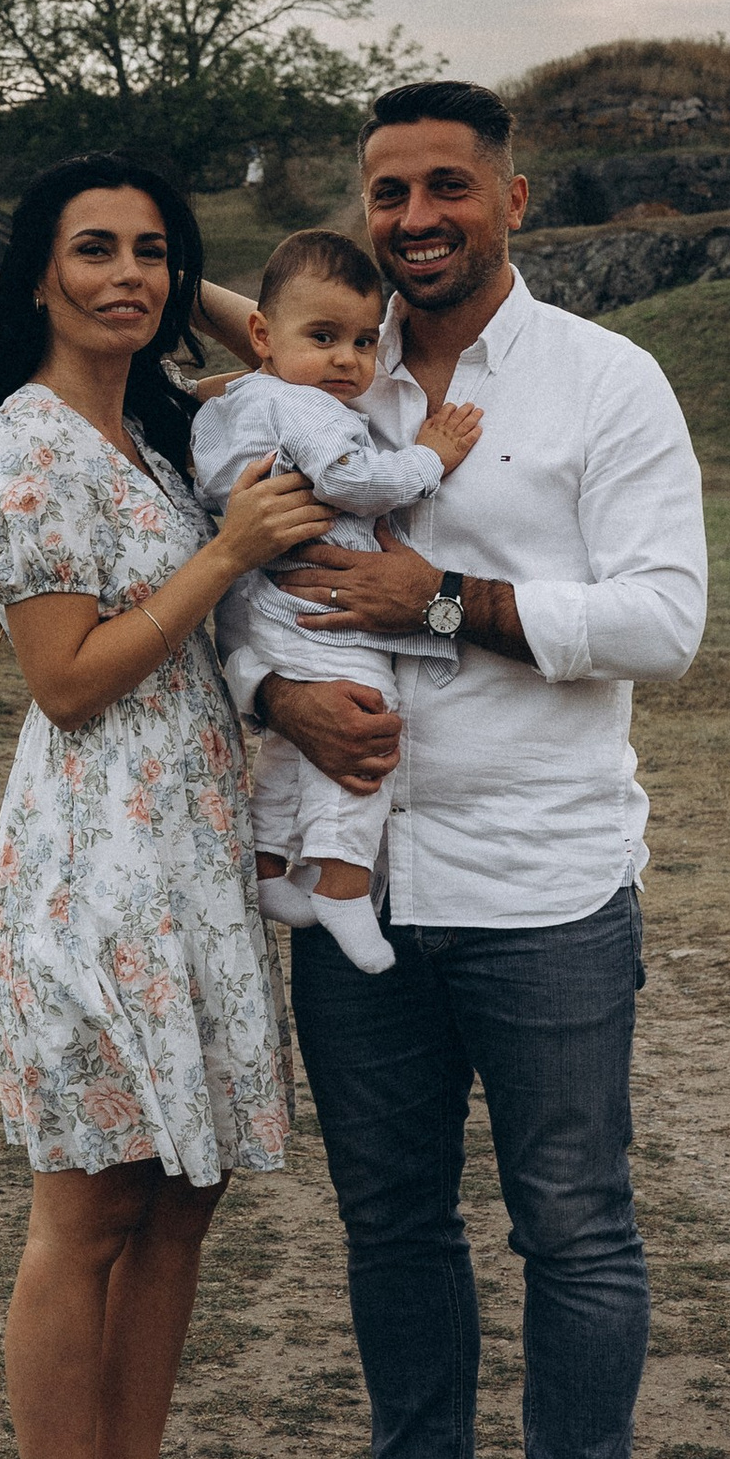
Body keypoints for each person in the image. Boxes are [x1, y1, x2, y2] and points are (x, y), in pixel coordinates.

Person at [221, 81, 707, 1459]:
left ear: (515, 197)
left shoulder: (602, 385)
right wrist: (269, 694)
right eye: (387, 191)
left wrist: (445, 605)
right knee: (391, 1216)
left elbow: (662, 620)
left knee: (571, 1218)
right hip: (357, 885)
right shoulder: (300, 374)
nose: (416, 217)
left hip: (540, 880)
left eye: (448, 187)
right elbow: (229, 577)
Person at [0, 155, 331, 1459]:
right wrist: (223, 558)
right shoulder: (22, 450)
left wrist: (195, 296)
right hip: (93, 865)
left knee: (183, 1202)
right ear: (33, 272)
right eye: (90, 251)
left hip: (194, 857)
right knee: (90, 1202)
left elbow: (289, 349)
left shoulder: (160, 431)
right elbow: (72, 678)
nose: (126, 275)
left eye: (153, 253)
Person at [188, 229, 483, 976]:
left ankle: (269, 867)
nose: (348, 360)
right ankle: (344, 881)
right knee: (366, 716)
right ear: (262, 335)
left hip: (266, 608)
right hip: (320, 612)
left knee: (297, 742)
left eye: (361, 341)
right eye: (324, 338)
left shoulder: (233, 402)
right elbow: (352, 480)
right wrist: (429, 459)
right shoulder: (310, 407)